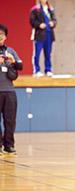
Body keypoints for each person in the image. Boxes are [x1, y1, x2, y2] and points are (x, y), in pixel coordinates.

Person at [0, 24, 22, 155]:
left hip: (9, 91)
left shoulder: (10, 51)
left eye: (1, 35)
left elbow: (20, 66)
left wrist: (13, 61)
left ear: (5, 37)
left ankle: (9, 145)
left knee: (10, 119)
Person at [30, 0, 57, 77]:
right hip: (39, 34)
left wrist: (53, 23)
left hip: (49, 34)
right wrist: (39, 25)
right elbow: (32, 21)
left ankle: (48, 69)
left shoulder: (50, 9)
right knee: (37, 54)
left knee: (48, 53)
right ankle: (36, 70)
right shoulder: (35, 9)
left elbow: (55, 20)